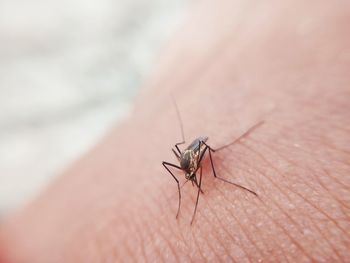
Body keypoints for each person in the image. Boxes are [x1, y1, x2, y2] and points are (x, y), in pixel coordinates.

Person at [1, 0, 349, 262]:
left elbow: (197, 155)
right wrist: (185, 185)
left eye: (192, 177)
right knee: (179, 165)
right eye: (190, 177)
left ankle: (220, 160)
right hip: (187, 151)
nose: (192, 178)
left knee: (209, 165)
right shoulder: (182, 164)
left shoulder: (197, 158)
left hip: (197, 148)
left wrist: (197, 168)